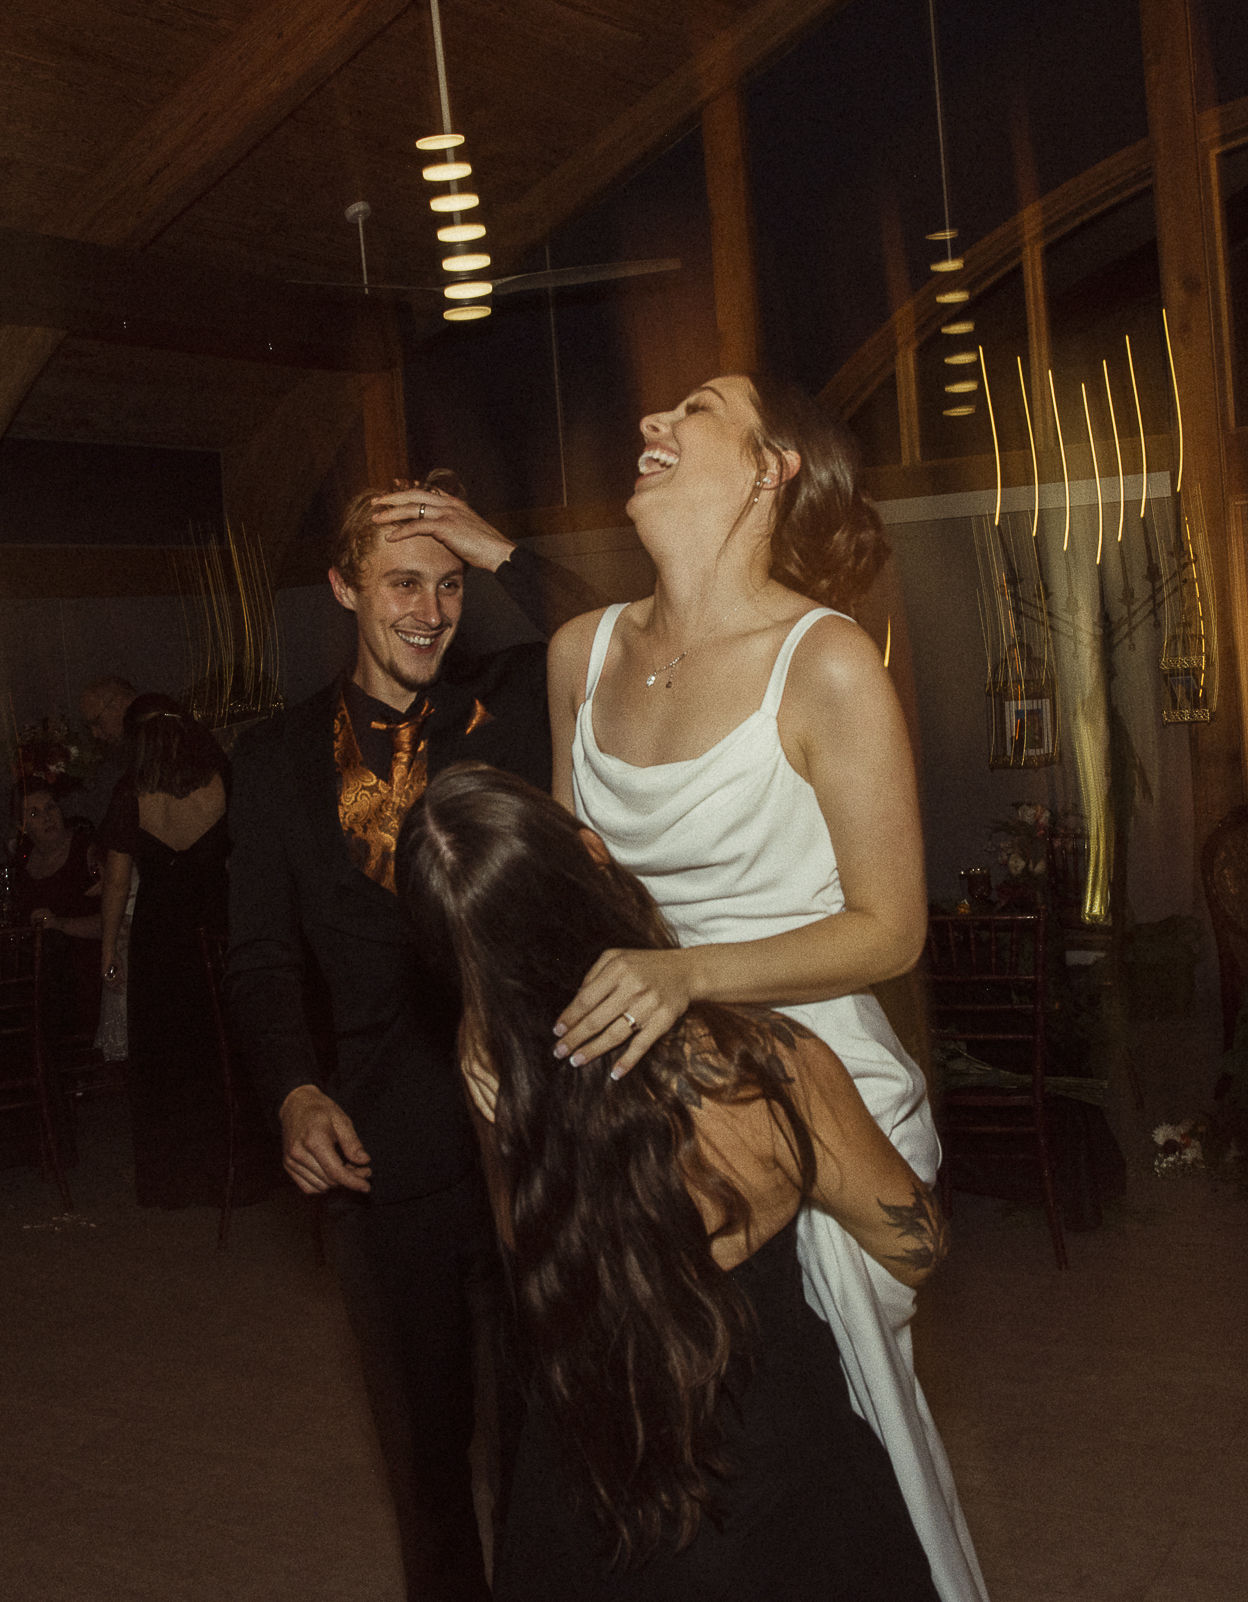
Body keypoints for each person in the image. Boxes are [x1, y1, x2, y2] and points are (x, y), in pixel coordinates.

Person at [546, 374, 987, 1602]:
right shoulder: (581, 654)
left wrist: (689, 974)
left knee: (819, 1441)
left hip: (817, 1084)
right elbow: (579, 892)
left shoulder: (827, 663)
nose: (648, 423)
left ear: (768, 465)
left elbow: (891, 930)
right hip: (641, 1073)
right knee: (663, 1432)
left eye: (692, 408)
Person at [395, 763, 945, 1600]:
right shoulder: (765, 1067)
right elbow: (919, 1249)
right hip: (779, 1503)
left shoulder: (497, 1093)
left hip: (589, 1513)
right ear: (591, 854)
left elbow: (524, 1261)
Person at [225, 475, 601, 1602]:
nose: (430, 611)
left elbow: (613, 633)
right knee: (427, 1461)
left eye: (448, 585)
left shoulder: (513, 702)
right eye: (402, 582)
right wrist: (293, 1089)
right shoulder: (278, 758)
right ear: (345, 588)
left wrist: (499, 546)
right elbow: (259, 956)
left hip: (530, 1136)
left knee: (553, 1442)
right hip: (381, 1161)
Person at [98, 694, 233, 1208]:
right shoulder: (221, 781)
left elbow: (115, 883)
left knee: (163, 1058)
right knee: (216, 1051)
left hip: (160, 938)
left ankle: (171, 1181)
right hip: (215, 929)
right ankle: (229, 1174)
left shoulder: (130, 793)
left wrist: (109, 950)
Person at [11, 780, 103, 1040]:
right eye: (34, 814)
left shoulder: (88, 850)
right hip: (44, 981)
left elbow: (116, 919)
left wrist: (59, 924)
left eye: (51, 807)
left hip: (86, 972)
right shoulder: (23, 865)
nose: (47, 817)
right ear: (22, 828)